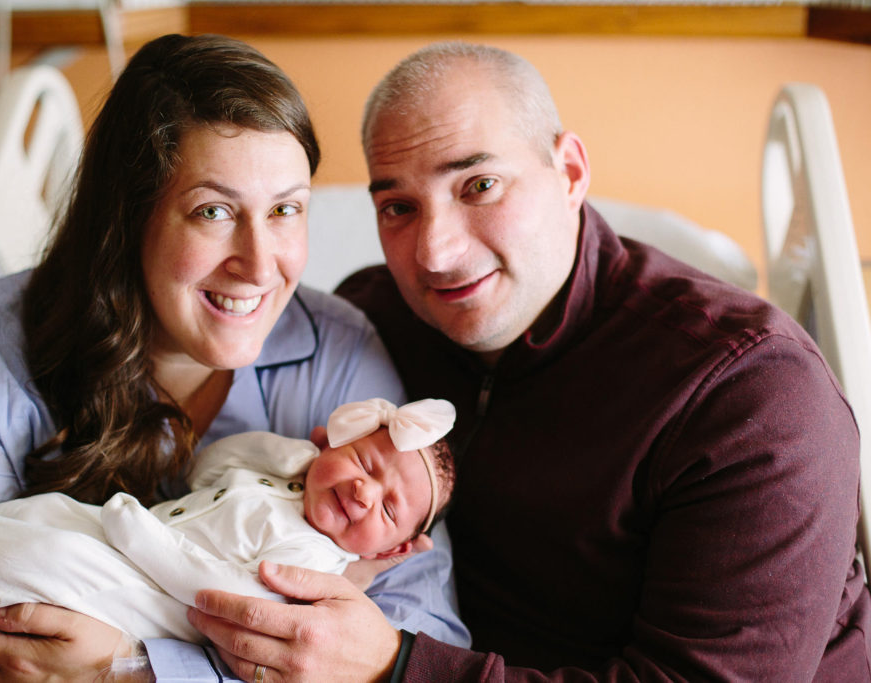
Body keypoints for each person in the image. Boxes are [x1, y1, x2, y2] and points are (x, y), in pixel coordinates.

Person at [185, 41, 871, 681]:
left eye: (479, 185)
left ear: (570, 171)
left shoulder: (748, 395)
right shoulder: (377, 319)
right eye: (398, 206)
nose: (436, 253)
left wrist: (396, 666)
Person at [0, 34, 469, 682]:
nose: (257, 263)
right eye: (213, 210)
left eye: (285, 209)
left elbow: (418, 642)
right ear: (128, 217)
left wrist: (135, 667)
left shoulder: (339, 357)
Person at [0, 397, 457, 683]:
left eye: (387, 508)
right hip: (125, 538)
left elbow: (230, 595)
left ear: (389, 552)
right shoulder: (286, 478)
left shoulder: (314, 559)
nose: (363, 491)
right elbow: (211, 466)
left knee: (49, 557)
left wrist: (142, 541)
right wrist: (301, 458)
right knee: (46, 519)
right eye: (361, 461)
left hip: (152, 598)